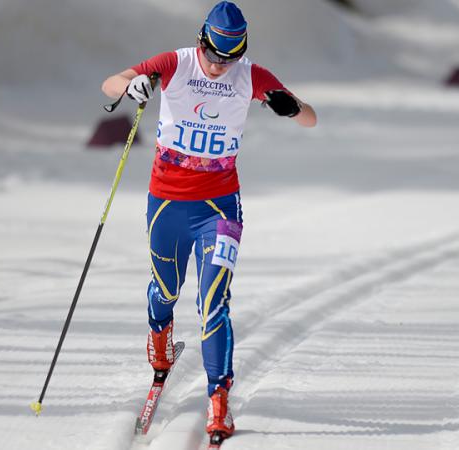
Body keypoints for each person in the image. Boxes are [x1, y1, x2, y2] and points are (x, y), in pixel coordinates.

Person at [101, 0, 317, 442]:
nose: (220, 67)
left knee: (214, 301)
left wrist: (289, 106)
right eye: (215, 56)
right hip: (166, 202)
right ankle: (159, 338)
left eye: (230, 58)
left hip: (219, 206)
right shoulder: (176, 63)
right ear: (202, 41)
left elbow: (310, 118)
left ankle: (219, 399)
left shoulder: (251, 75)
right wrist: (134, 84)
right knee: (166, 289)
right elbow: (110, 83)